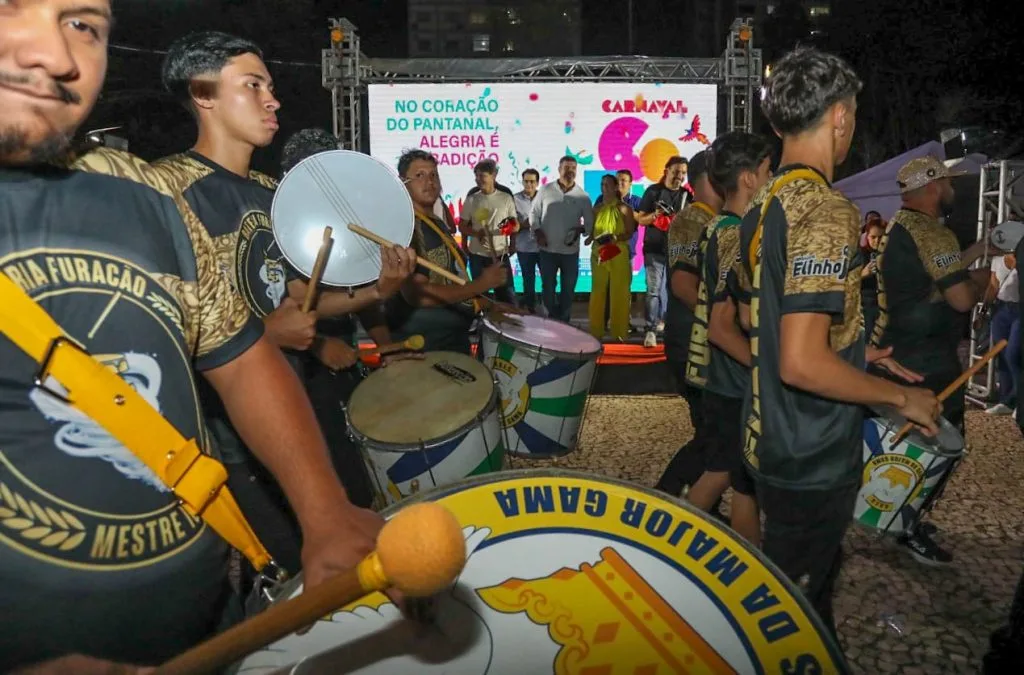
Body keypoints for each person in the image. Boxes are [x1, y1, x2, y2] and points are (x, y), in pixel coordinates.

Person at [0, 3, 393, 671]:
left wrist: (324, 511)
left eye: (82, 24)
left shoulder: (141, 192)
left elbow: (239, 356)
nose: (57, 53)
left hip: (216, 619)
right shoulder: (182, 180)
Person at [155, 35, 416, 573]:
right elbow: (158, 330)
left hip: (293, 412)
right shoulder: (168, 190)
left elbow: (300, 299)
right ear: (203, 93)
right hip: (230, 440)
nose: (273, 100)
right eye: (253, 86)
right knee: (292, 574)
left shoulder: (273, 193)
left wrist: (378, 292)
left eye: (271, 87)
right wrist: (263, 336)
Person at [737, 47, 939, 637]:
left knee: (797, 594)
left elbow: (764, 325)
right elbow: (801, 361)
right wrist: (901, 399)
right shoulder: (826, 210)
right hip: (810, 447)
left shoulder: (764, 201)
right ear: (842, 117)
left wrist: (854, 350)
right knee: (793, 618)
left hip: (767, 432)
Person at [279, 127, 424, 508]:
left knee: (358, 467)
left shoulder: (343, 220)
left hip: (341, 356)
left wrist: (384, 344)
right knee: (323, 477)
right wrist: (319, 345)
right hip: (297, 368)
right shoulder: (282, 222)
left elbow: (359, 296)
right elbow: (292, 305)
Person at [870, 155, 992, 566]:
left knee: (908, 439)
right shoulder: (934, 234)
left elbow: (930, 279)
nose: (952, 189)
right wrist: (980, 281)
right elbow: (958, 296)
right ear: (933, 187)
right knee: (941, 442)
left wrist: (981, 248)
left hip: (899, 346)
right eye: (947, 182)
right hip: (926, 356)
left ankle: (901, 513)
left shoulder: (901, 226)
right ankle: (907, 523)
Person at [683, 132, 773, 546]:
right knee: (723, 473)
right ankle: (668, 547)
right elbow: (723, 326)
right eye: (769, 171)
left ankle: (753, 565)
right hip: (733, 382)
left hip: (725, 379)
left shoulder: (721, 225)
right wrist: (766, 370)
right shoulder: (735, 233)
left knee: (741, 481)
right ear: (750, 178)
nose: (774, 180)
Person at [654, 151, 723, 501]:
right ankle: (666, 496)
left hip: (703, 340)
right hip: (691, 343)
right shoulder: (691, 220)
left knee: (711, 432)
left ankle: (698, 503)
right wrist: (726, 320)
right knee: (713, 433)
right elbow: (683, 287)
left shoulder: (714, 218)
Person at [389, 150, 507, 354]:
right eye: (420, 175)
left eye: (433, 175)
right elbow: (417, 296)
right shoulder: (407, 228)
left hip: (450, 339)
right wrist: (480, 285)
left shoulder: (434, 222)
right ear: (403, 182)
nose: (429, 181)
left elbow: (450, 279)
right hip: (425, 347)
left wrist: (486, 303)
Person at [531, 155, 595, 323]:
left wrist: (581, 229)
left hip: (570, 253)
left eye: (573, 168)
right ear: (559, 170)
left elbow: (589, 224)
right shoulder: (545, 190)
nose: (570, 171)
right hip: (547, 251)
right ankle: (552, 320)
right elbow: (534, 214)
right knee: (548, 289)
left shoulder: (582, 196)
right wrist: (537, 231)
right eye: (566, 168)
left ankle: (564, 321)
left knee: (568, 290)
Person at [637, 156, 688, 347]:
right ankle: (650, 329)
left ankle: (666, 325)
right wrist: (656, 215)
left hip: (676, 251)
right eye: (676, 171)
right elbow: (641, 220)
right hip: (654, 249)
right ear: (666, 171)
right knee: (653, 290)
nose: (680, 176)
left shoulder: (686, 195)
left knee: (671, 291)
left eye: (683, 172)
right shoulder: (653, 192)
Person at [461, 159, 518, 305]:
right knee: (480, 296)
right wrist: (475, 235)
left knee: (506, 295)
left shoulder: (505, 197)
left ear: (494, 175)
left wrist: (508, 236)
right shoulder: (472, 199)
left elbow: (515, 225)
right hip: (477, 256)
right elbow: (462, 226)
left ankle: (508, 324)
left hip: (500, 254)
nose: (478, 179)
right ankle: (482, 324)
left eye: (482, 176)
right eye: (476, 176)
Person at [587, 175, 637, 341]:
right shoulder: (597, 209)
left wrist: (616, 238)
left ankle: (619, 332)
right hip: (599, 253)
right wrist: (589, 238)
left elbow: (629, 232)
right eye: (602, 184)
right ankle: (595, 331)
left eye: (607, 184)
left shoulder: (625, 209)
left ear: (616, 187)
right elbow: (592, 233)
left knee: (620, 292)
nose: (604, 187)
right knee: (597, 292)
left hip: (618, 252)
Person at [985, 252, 1019, 416]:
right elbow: (993, 286)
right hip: (1001, 308)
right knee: (1003, 357)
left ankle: (1014, 400)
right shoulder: (997, 259)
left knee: (1014, 355)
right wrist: (984, 310)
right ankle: (1006, 400)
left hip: (1020, 309)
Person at [513, 169, 542, 313]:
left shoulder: (545, 198)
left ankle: (550, 309)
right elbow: (509, 226)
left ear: (537, 183)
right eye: (526, 181)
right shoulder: (514, 199)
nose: (529, 184)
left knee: (549, 281)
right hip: (524, 247)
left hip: (544, 247)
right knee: (528, 280)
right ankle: (530, 309)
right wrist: (524, 224)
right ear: (522, 181)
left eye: (532, 181)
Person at [860, 219, 885, 338]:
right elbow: (845, 281)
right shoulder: (859, 254)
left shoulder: (893, 253)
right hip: (868, 303)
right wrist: (863, 274)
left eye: (881, 237)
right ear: (866, 237)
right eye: (873, 237)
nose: (877, 241)